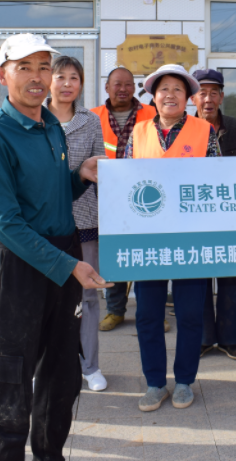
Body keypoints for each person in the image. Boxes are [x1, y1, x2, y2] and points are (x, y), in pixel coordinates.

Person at [0, 33, 110, 461]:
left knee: (62, 371)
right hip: (21, 264)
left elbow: (51, 196)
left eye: (43, 67)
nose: (37, 77)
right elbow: (3, 221)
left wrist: (79, 176)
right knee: (11, 374)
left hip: (63, 255)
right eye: (24, 67)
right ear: (2, 74)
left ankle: (50, 453)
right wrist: (68, 265)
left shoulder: (52, 126)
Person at [123, 63, 222, 412]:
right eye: (163, 88)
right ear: (153, 96)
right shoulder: (137, 133)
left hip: (191, 238)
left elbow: (216, 181)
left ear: (188, 97)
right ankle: (154, 383)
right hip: (148, 239)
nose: (170, 95)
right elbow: (124, 182)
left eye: (177, 89)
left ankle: (183, 381)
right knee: (148, 315)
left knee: (191, 313)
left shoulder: (204, 131)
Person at [46, 55, 108, 393]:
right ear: (49, 81)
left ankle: (90, 366)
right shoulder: (33, 118)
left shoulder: (90, 120)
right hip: (45, 222)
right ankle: (46, 364)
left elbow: (100, 169)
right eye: (60, 77)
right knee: (47, 297)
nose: (67, 84)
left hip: (85, 218)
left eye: (74, 77)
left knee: (88, 296)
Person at [91, 67, 157, 332]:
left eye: (128, 84)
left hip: (146, 194)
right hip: (106, 196)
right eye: (117, 84)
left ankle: (152, 311)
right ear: (107, 87)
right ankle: (115, 310)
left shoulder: (152, 114)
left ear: (135, 88)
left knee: (147, 253)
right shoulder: (92, 117)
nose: (123, 89)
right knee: (115, 253)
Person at [191, 68, 236, 361]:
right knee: (197, 278)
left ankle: (229, 338)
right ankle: (203, 338)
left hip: (229, 215)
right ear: (193, 97)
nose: (208, 99)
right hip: (194, 215)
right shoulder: (184, 130)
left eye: (214, 93)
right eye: (202, 93)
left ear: (222, 97)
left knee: (230, 278)